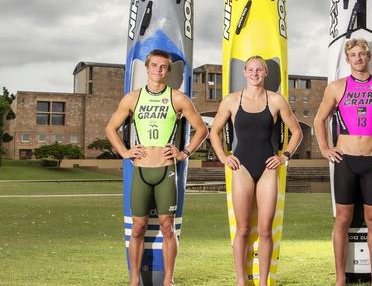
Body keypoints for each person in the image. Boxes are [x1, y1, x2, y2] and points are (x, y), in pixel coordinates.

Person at [105, 49, 208, 286]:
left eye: (163, 67)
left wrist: (184, 153)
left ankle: (168, 280)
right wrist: (125, 152)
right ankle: (134, 281)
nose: (158, 70)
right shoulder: (132, 98)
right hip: (140, 169)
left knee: (167, 227)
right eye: (154, 66)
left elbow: (202, 129)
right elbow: (111, 128)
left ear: (167, 71)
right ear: (147, 68)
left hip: (166, 170)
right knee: (138, 227)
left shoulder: (178, 98)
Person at [314, 38, 372, 286]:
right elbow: (318, 120)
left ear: (369, 57)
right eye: (353, 54)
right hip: (345, 160)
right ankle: (340, 278)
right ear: (347, 59)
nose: (358, 58)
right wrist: (325, 148)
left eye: (362, 54)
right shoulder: (336, 87)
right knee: (342, 219)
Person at [209, 55, 303, 286]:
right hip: (241, 167)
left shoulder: (276, 100)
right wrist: (223, 157)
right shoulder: (231, 100)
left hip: (268, 168)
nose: (255, 73)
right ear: (244, 72)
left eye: (259, 70)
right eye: (251, 70)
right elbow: (214, 132)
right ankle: (241, 281)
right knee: (242, 229)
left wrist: (284, 157)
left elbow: (297, 132)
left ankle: (263, 283)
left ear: (265, 73)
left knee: (265, 230)